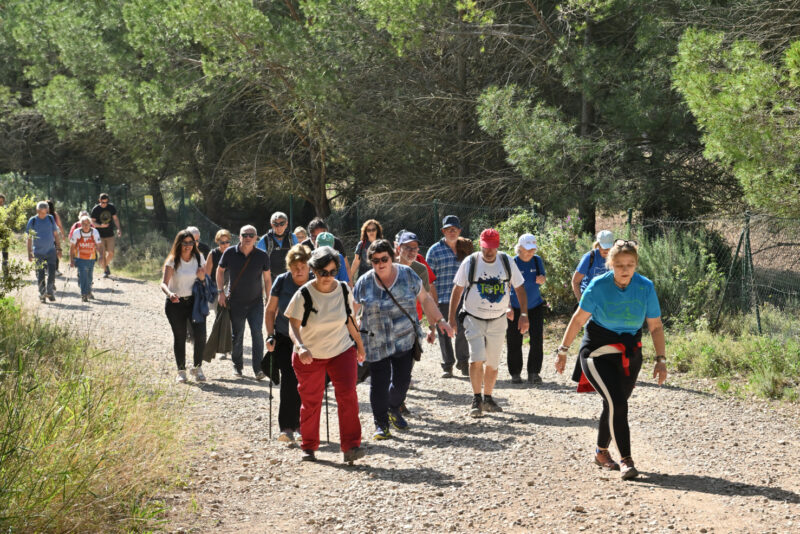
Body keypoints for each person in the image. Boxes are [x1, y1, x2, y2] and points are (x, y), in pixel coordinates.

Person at [555, 239, 667, 480]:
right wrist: (563, 351)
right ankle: (627, 460)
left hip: (629, 352)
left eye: (630, 264)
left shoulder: (645, 287)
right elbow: (577, 320)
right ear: (610, 265)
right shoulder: (598, 286)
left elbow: (655, 327)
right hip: (596, 352)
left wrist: (661, 359)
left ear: (636, 265)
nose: (625, 270)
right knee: (618, 401)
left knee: (614, 403)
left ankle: (601, 452)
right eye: (619, 265)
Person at [354, 239, 453, 440]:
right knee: (379, 383)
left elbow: (425, 298)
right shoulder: (364, 282)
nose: (380, 263)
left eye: (384, 259)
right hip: (376, 341)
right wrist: (354, 337)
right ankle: (380, 424)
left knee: (402, 382)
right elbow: (352, 311)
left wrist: (440, 320)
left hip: (403, 339)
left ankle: (393, 407)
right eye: (375, 260)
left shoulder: (407, 275)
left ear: (392, 257)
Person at [285, 246, 366, 463]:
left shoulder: (343, 289)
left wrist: (359, 345)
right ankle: (309, 447)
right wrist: (301, 347)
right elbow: (292, 325)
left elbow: (350, 319)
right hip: (309, 354)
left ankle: (351, 446)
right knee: (311, 401)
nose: (327, 277)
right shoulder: (303, 294)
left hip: (341, 350)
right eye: (322, 273)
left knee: (348, 394)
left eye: (331, 272)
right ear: (314, 270)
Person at [449, 229, 528, 418]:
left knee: (492, 362)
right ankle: (476, 398)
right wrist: (451, 318)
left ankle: (488, 397)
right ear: (480, 244)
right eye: (486, 247)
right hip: (473, 318)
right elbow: (457, 290)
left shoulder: (507, 262)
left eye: (492, 247)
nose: (489, 251)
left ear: (497, 245)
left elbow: (520, 288)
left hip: (498, 319)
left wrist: (523, 314)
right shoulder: (471, 262)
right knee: (477, 358)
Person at [265, 244, 311, 445]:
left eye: (303, 265)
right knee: (289, 381)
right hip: (284, 338)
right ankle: (287, 427)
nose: (299, 270)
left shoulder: (317, 281)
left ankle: (303, 426)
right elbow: (270, 310)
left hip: (312, 339)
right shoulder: (282, 281)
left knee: (307, 383)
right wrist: (269, 335)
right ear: (289, 266)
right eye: (294, 266)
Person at [217, 225, 271, 379]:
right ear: (239, 236)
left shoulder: (262, 256)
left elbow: (267, 279)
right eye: (244, 235)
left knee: (257, 334)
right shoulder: (229, 253)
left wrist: (269, 299)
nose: (248, 238)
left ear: (256, 238)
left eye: (251, 235)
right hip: (236, 302)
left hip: (256, 302)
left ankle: (258, 369)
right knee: (237, 335)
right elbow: (219, 271)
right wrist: (220, 292)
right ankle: (237, 366)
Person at [425, 215, 470, 378]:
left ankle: (464, 362)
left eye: (455, 229)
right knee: (444, 332)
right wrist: (432, 301)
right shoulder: (434, 250)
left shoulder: (466, 248)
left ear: (459, 230)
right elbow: (429, 277)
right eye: (448, 229)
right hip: (442, 297)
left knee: (463, 330)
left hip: (463, 298)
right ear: (443, 231)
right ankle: (447, 365)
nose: (452, 232)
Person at [160, 229, 207, 383]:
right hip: (176, 303)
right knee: (180, 337)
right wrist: (170, 294)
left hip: (195, 303)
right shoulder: (173, 260)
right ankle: (181, 371)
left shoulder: (199, 257)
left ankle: (197, 367)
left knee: (200, 336)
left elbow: (205, 281)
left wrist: (202, 278)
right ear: (179, 243)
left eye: (191, 243)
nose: (188, 246)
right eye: (185, 243)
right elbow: (164, 284)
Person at [507, 234, 547, 384]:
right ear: (520, 248)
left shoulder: (537, 261)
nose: (531, 252)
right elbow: (507, 286)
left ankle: (534, 372)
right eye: (528, 249)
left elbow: (543, 277)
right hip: (515, 307)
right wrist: (508, 306)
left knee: (537, 340)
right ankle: (515, 373)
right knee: (514, 340)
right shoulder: (512, 262)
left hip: (535, 305)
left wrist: (542, 279)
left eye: (533, 249)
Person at [204, 229, 233, 359]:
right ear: (217, 242)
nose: (225, 245)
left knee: (230, 318)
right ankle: (222, 348)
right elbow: (206, 274)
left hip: (231, 289)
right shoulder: (213, 253)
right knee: (220, 316)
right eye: (222, 242)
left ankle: (228, 347)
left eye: (227, 242)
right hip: (216, 289)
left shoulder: (233, 253)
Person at [26, 201, 62, 303]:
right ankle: (42, 294)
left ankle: (50, 292)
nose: (43, 215)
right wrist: (29, 252)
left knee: (52, 273)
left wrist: (59, 249)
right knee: (40, 273)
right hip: (38, 252)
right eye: (41, 212)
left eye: (45, 212)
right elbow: (28, 238)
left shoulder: (50, 219)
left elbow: (56, 235)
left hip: (51, 251)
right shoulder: (32, 221)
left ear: (47, 210)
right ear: (37, 211)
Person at [69, 216, 104, 302]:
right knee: (83, 276)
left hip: (91, 258)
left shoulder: (94, 232)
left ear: (90, 224)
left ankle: (88, 291)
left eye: (87, 224)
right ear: (81, 224)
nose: (85, 226)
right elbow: (72, 247)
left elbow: (99, 245)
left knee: (89, 277)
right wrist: (71, 260)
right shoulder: (77, 232)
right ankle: (84, 294)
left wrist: (101, 256)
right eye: (83, 224)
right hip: (80, 258)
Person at [572, 230, 614, 301]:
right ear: (597, 245)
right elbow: (575, 282)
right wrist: (581, 302)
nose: (606, 250)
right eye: (603, 247)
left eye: (608, 247)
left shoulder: (615, 257)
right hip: (589, 298)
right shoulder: (589, 257)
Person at [257, 211, 299, 280]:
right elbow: (258, 259)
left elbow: (298, 255)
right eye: (275, 224)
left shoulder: (292, 237)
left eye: (282, 224)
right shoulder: (265, 239)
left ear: (286, 224)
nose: (279, 227)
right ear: (271, 225)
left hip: (289, 276)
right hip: (270, 277)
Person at [90, 193, 122, 278]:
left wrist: (118, 229)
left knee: (111, 253)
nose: (105, 204)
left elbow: (115, 219)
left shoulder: (111, 207)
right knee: (102, 253)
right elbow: (92, 222)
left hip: (110, 234)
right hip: (99, 235)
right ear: (99, 200)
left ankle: (104, 265)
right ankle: (105, 270)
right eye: (103, 202)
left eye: (106, 202)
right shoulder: (95, 209)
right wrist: (101, 226)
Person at [47, 200, 65, 276]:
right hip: (47, 238)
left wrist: (63, 234)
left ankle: (55, 269)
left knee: (55, 253)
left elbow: (59, 225)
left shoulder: (54, 215)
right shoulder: (41, 215)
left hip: (53, 237)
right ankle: (47, 269)